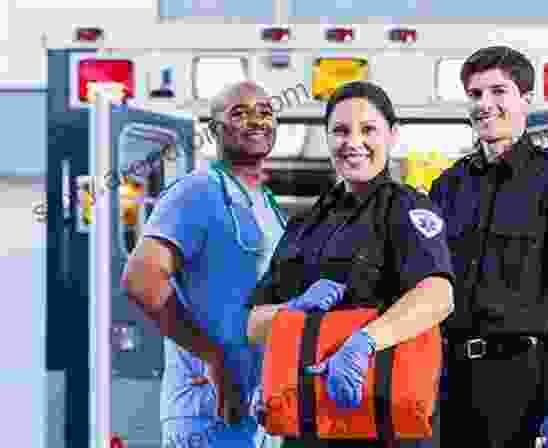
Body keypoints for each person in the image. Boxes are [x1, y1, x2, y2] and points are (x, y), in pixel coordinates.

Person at [121, 80, 346, 448]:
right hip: (208, 413)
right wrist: (213, 358)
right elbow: (141, 280)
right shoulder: (198, 191)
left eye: (265, 112)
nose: (256, 121)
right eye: (239, 114)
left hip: (258, 413)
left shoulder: (268, 206)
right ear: (214, 130)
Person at [240, 80, 455, 448]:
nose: (353, 142)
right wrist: (289, 314)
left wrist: (364, 343)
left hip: (382, 425)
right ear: (327, 138)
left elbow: (438, 296)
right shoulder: (305, 226)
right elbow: (255, 324)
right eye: (340, 131)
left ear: (393, 135)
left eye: (368, 129)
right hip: (309, 427)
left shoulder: (406, 211)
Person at [428, 46, 548, 448]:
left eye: (498, 91)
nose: (484, 104)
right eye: (475, 95)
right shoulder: (447, 186)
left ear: (526, 99)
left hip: (524, 382)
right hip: (450, 381)